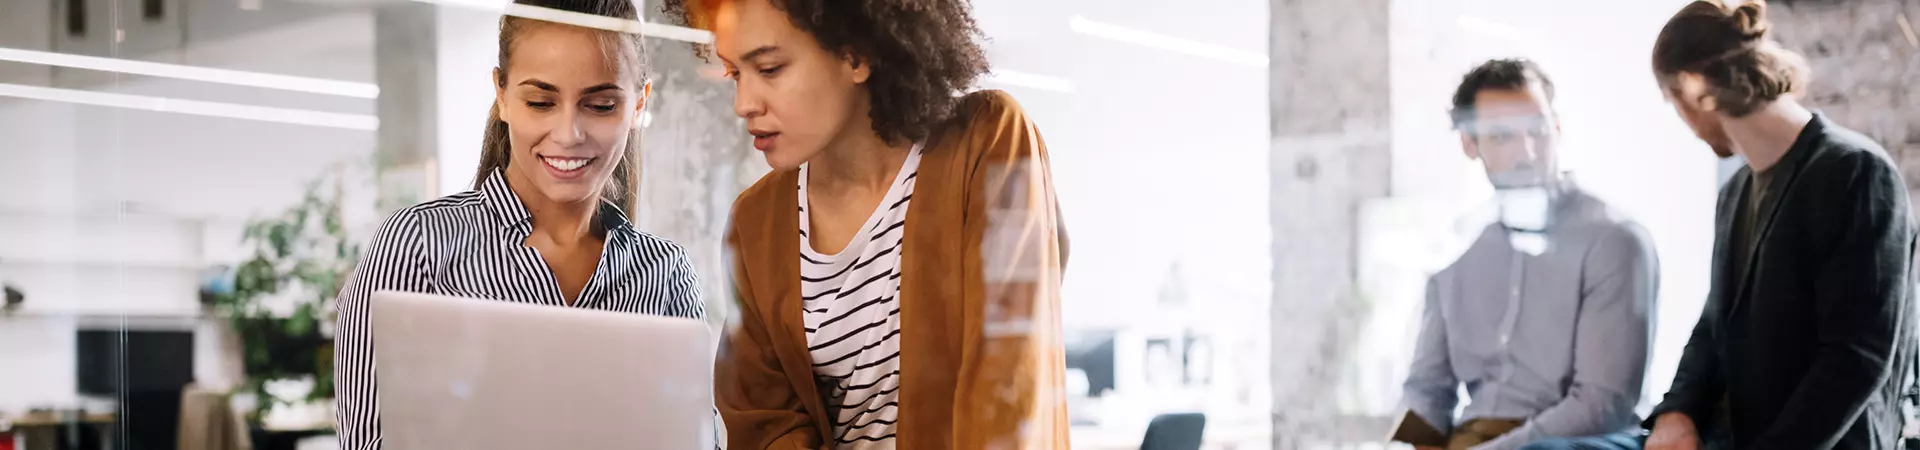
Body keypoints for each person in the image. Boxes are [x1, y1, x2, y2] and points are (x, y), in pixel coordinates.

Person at [660, 0, 1070, 447]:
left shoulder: (988, 143)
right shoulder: (755, 222)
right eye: (735, 73)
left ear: (856, 54)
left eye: (771, 68)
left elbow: (1010, 390)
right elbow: (764, 424)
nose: (743, 104)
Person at [332, 0, 706, 448]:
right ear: (502, 95)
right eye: (540, 102)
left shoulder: (664, 273)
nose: (569, 133)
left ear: (639, 102)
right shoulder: (418, 246)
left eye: (602, 105)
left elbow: (696, 437)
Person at [1642, 1, 1916, 449]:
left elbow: (1855, 358)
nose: (1684, 124)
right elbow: (1715, 323)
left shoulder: (1857, 173)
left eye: (1674, 103)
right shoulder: (1735, 193)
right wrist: (1677, 410)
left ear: (1694, 88)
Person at [1401, 59, 1659, 450]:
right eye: (1502, 136)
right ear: (1470, 145)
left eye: (1536, 130)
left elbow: (1601, 405)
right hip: (1473, 438)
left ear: (1557, 128)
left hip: (1577, 443)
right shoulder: (1456, 250)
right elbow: (1426, 387)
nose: (1527, 152)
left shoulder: (1614, 240)